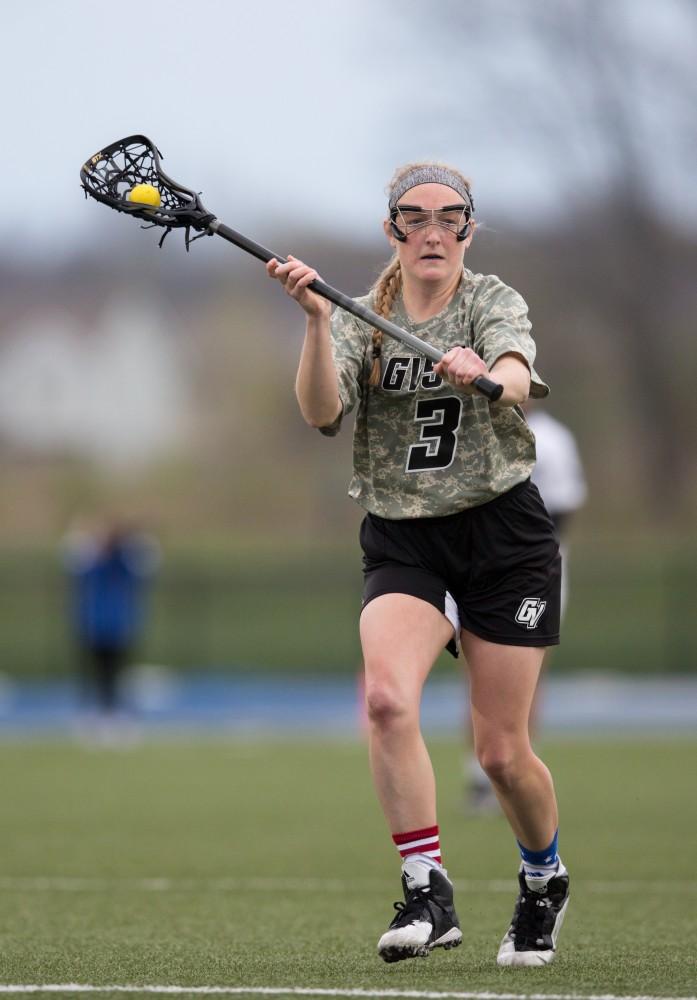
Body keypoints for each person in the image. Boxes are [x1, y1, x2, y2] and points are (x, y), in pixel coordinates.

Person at [267, 163, 569, 968]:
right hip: (403, 535)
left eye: (448, 217)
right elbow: (321, 413)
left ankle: (542, 881)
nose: (432, 231)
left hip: (502, 535)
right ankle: (425, 888)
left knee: (501, 752)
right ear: (391, 231)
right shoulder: (355, 318)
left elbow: (515, 372)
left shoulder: (489, 299)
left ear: (468, 228)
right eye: (414, 218)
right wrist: (308, 320)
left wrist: (486, 376)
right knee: (385, 702)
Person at [465, 401, 587, 812]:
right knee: (479, 668)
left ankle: (516, 767)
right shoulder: (473, 427)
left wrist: (522, 549)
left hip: (532, 568)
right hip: (479, 563)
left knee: (526, 672)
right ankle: (479, 774)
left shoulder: (552, 439)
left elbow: (565, 507)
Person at [62, 518, 160, 724]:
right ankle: (95, 711)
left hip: (118, 626)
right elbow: (71, 557)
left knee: (118, 671)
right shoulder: (92, 563)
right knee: (94, 670)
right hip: (94, 625)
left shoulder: (125, 564)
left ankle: (117, 711)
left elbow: (149, 562)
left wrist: (135, 539)